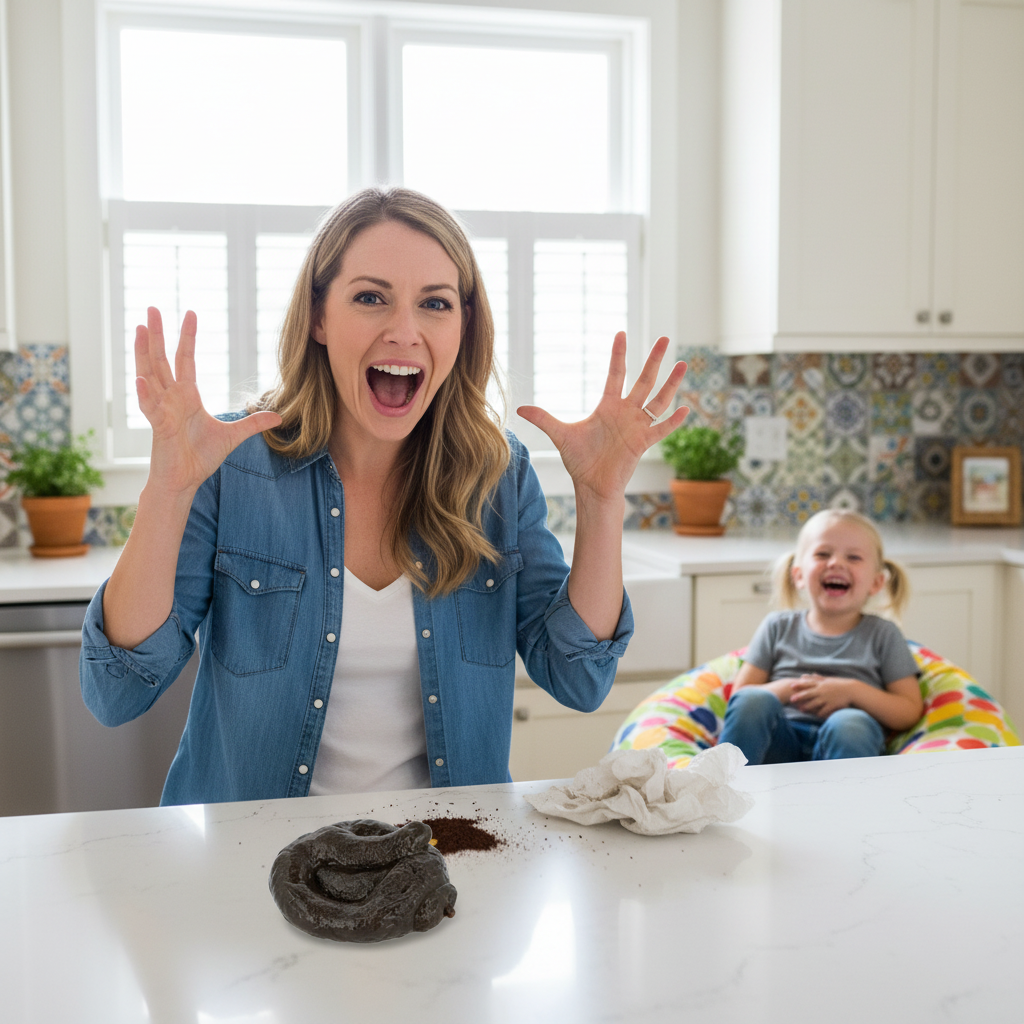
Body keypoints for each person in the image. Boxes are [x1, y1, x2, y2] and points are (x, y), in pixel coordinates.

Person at [80, 186, 689, 805]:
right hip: (254, 870)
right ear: (318, 317)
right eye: (370, 298)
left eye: (435, 303)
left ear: (463, 327)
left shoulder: (497, 477)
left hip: (444, 865)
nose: (404, 330)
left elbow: (579, 677)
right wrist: (167, 489)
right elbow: (116, 692)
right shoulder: (234, 468)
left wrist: (602, 500)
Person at [717, 509, 923, 764]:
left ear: (876, 582)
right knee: (753, 700)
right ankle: (722, 792)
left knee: (850, 722)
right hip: (779, 748)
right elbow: (742, 698)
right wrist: (789, 689)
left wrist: (851, 691)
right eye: (822, 554)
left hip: (844, 748)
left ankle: (844, 803)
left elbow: (909, 710)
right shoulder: (776, 626)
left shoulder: (884, 634)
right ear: (799, 575)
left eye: (854, 557)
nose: (836, 563)